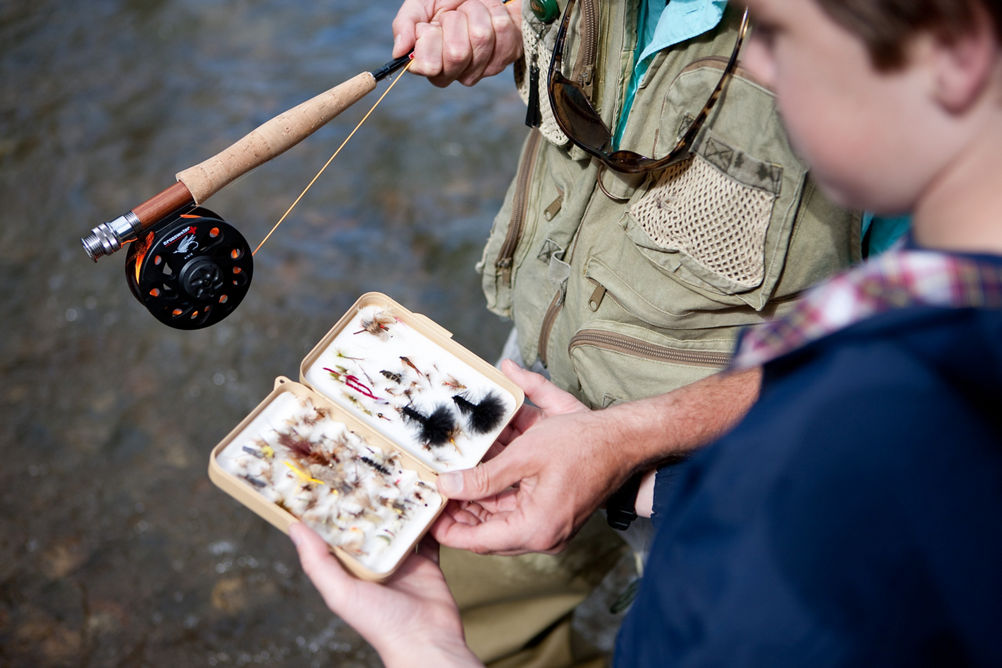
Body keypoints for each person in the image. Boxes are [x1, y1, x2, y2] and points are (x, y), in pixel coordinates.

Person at [291, 0, 1002, 663]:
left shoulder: (803, 503)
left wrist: (424, 651)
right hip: (542, 395)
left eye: (781, 35)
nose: (760, 62)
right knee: (490, 612)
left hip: (708, 461)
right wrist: (505, 20)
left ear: (956, 49)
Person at [383, 1, 867, 665]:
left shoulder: (910, 51)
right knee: (471, 612)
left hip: (723, 467)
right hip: (533, 380)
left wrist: (628, 443)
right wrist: (488, 20)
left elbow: (903, 356)